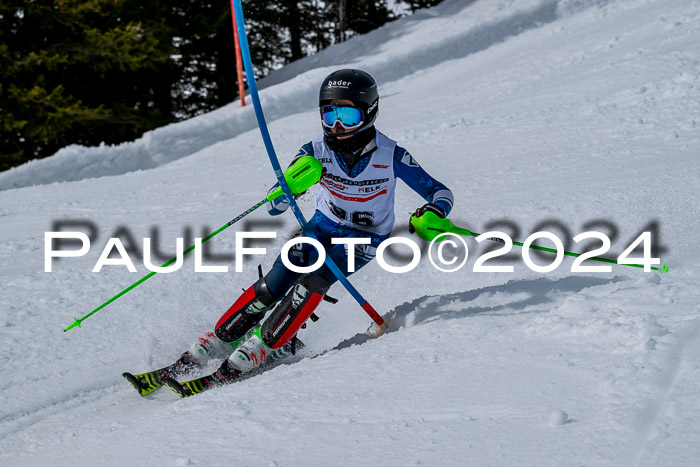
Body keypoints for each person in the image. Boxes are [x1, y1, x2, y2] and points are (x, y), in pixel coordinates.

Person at [123, 69, 454, 397]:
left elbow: (440, 193)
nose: (337, 126)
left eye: (347, 116)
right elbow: (275, 206)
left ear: (369, 112)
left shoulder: (391, 155)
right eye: (330, 114)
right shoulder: (313, 151)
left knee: (316, 280)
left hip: (365, 238)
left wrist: (433, 212)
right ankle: (213, 343)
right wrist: (287, 190)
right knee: (278, 279)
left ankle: (258, 349)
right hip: (322, 226)